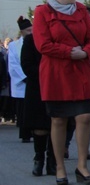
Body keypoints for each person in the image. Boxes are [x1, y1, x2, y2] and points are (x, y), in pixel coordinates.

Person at [33, 0, 90, 185]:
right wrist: (69, 52)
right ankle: (60, 166)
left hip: (81, 71)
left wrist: (86, 52)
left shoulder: (81, 11)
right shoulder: (42, 12)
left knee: (84, 118)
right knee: (58, 120)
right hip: (56, 74)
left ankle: (82, 166)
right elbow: (42, 44)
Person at [19, 17, 54, 176]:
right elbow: (26, 65)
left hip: (57, 86)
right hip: (37, 87)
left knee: (57, 124)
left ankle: (53, 161)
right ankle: (39, 159)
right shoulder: (31, 40)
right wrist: (44, 73)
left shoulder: (57, 39)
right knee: (40, 126)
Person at [8, 20, 32, 142]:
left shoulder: (35, 42)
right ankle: (25, 134)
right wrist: (24, 77)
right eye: (28, 31)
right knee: (23, 109)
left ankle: (35, 131)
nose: (31, 33)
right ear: (22, 32)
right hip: (22, 82)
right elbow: (13, 64)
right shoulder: (13, 45)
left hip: (33, 79)